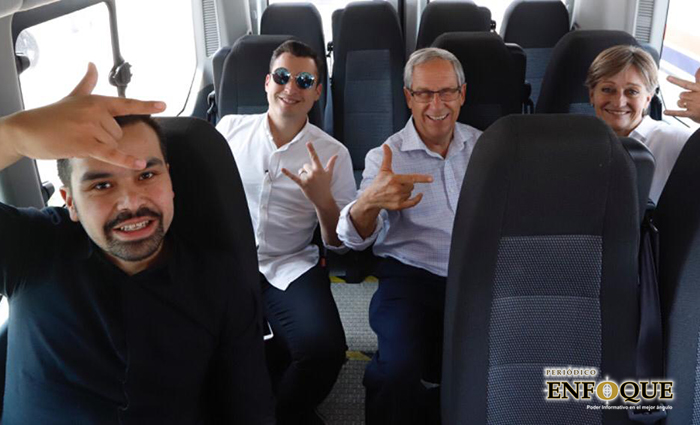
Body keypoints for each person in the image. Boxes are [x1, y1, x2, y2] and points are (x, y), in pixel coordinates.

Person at [0, 64, 275, 424]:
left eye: (147, 175)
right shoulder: (31, 247)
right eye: (101, 185)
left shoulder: (221, 281)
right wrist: (12, 137)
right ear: (70, 202)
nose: (130, 203)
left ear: (170, 181)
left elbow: (250, 408)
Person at [336, 47, 483, 425]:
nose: (436, 104)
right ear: (408, 97)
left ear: (462, 94)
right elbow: (354, 240)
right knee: (397, 369)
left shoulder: (485, 147)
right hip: (411, 276)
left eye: (446, 92)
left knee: (501, 362)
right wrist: (369, 203)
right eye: (424, 93)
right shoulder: (385, 157)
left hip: (476, 276)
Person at [216, 40, 355, 425]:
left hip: (290, 263)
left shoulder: (333, 154)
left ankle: (282, 415)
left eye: (304, 80)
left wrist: (322, 200)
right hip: (228, 262)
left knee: (325, 351)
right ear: (267, 82)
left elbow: (339, 245)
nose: (291, 87)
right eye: (282, 76)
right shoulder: (228, 131)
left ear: (317, 92)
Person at [586, 45, 692, 204]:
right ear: (592, 95)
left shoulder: (672, 140)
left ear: (648, 99)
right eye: (608, 89)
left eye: (632, 91)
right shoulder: (575, 141)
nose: (619, 102)